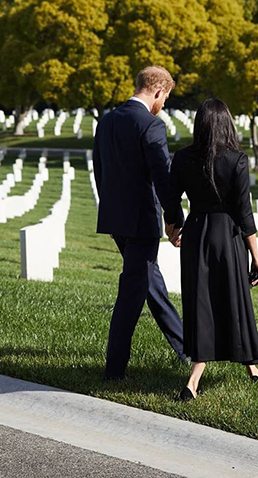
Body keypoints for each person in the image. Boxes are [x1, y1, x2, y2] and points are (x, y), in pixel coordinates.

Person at [165, 98, 258, 400]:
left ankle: (198, 378)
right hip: (228, 237)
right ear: (227, 124)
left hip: (196, 233)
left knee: (201, 302)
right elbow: (244, 212)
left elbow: (170, 198)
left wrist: (175, 226)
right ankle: (245, 364)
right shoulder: (237, 160)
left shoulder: (183, 158)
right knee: (234, 300)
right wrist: (257, 258)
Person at [93, 66, 186, 380]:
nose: (164, 105)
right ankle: (114, 370)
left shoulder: (106, 121)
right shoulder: (151, 125)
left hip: (116, 219)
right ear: (158, 91)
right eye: (166, 98)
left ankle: (186, 348)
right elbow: (162, 177)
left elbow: (99, 171)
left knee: (151, 283)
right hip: (141, 222)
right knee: (131, 294)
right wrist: (175, 219)